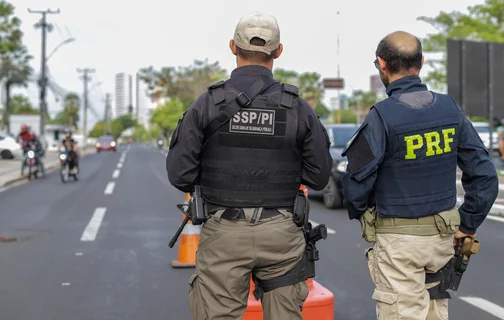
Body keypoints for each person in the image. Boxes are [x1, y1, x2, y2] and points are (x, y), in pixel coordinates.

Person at [166, 12, 332, 320]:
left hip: (224, 230)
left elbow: (179, 172)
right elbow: (319, 176)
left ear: (233, 47)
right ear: (278, 51)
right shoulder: (297, 107)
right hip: (283, 232)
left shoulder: (207, 103)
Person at [340, 31, 499, 320]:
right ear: (422, 62)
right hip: (442, 239)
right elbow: (485, 175)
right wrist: (468, 223)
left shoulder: (382, 116)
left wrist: (363, 211)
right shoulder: (450, 109)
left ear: (381, 65)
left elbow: (355, 185)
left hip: (399, 243)